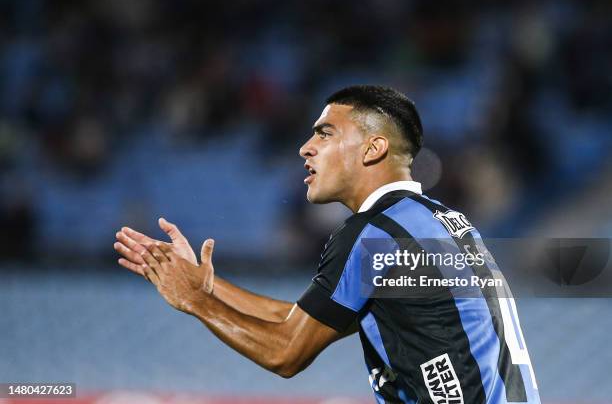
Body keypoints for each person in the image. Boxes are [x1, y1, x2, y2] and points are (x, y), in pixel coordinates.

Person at [114, 85, 540, 403]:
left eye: (325, 134)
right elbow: (301, 318)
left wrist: (195, 302)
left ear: (373, 149)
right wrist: (208, 286)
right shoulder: (437, 223)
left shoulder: (373, 234)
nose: (306, 148)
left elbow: (286, 352)